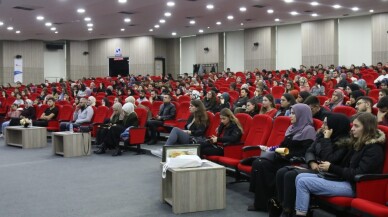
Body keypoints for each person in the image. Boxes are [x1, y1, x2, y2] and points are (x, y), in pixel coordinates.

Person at [294, 112, 385, 216]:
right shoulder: (357, 142)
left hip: (356, 186)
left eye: (356, 126)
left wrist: (331, 168)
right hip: (344, 180)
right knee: (300, 176)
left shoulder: (374, 149)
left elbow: (357, 174)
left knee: (303, 182)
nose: (352, 129)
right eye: (353, 125)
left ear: (367, 128)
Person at [275, 113, 351, 217]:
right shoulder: (321, 135)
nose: (322, 126)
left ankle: (287, 211)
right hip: (314, 166)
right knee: (281, 172)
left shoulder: (344, 143)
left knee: (290, 175)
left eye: (325, 124)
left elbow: (329, 158)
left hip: (327, 173)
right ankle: (283, 206)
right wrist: (311, 162)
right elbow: (309, 150)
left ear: (335, 126)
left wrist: (327, 139)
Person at [247, 104, 316, 212]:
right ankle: (261, 203)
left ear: (302, 115)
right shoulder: (291, 128)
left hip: (293, 162)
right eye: (291, 113)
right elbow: (282, 145)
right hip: (282, 158)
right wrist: (275, 150)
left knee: (269, 167)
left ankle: (275, 203)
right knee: (258, 163)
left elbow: (305, 152)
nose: (290, 116)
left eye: (294, 114)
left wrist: (287, 154)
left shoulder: (308, 130)